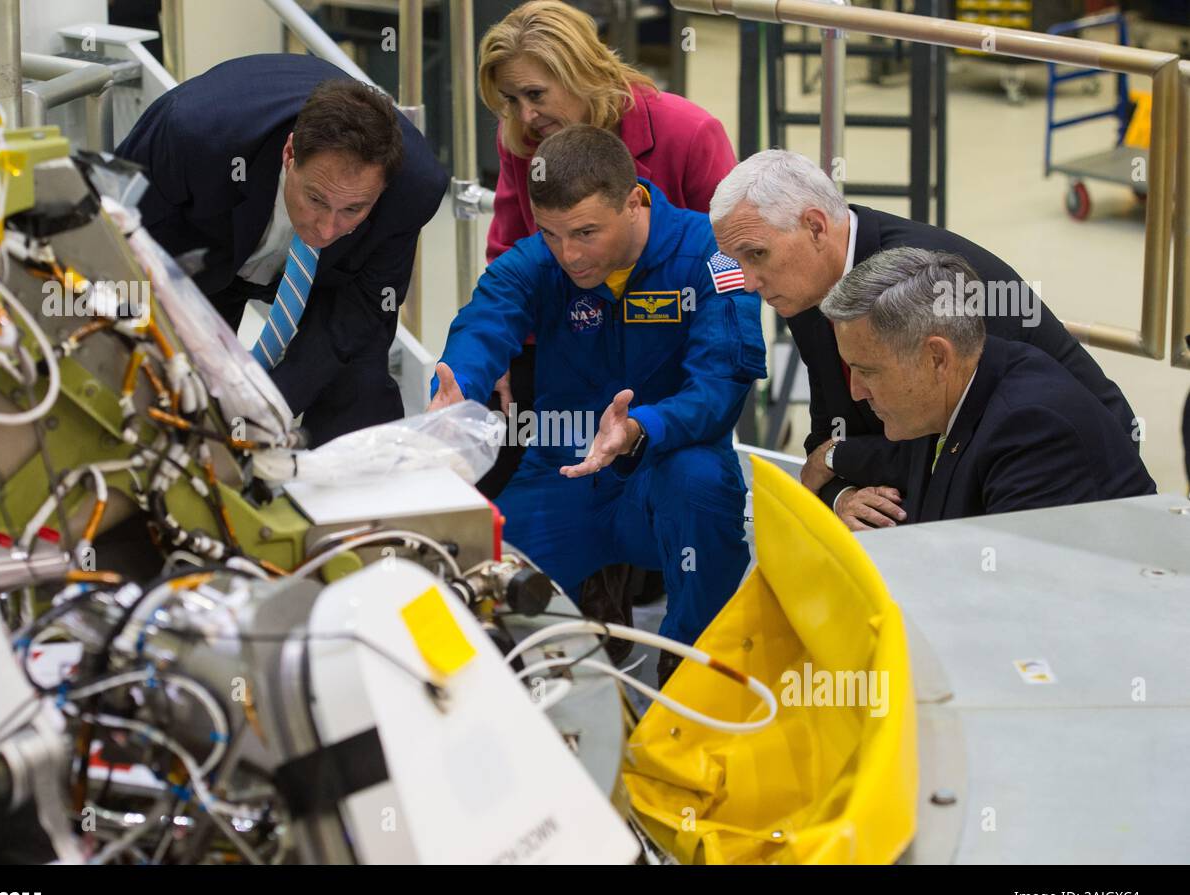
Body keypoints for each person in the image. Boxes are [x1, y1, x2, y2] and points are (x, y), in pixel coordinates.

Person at [428, 126, 765, 685]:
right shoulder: (537, 263)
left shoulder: (711, 256)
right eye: (553, 234)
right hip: (565, 469)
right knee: (484, 590)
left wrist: (641, 427)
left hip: (668, 467)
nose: (570, 254)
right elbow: (485, 320)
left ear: (634, 201)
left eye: (586, 231)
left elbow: (721, 385)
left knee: (701, 484)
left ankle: (693, 675)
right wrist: (456, 388)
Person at [476, 0, 738, 626]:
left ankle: (642, 591)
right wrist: (500, 354)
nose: (524, 116)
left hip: (671, 338)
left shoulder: (689, 134)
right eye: (509, 100)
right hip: (571, 334)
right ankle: (578, 595)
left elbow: (733, 263)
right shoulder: (527, 138)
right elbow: (512, 247)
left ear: (583, 70)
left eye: (535, 93)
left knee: (683, 473)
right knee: (503, 444)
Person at [709, 149, 1138, 530]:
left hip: (1056, 498)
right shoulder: (807, 286)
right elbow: (830, 429)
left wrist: (832, 462)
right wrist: (840, 495)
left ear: (816, 227)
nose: (746, 283)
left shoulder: (937, 286)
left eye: (757, 254)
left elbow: (964, 442)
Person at [116, 54, 448, 447]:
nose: (326, 228)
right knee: (170, 387)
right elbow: (116, 232)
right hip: (204, 252)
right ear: (290, 154)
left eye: (353, 209)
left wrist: (271, 403)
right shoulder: (191, 133)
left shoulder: (415, 187)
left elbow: (362, 309)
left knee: (359, 390)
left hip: (334, 282)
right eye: (317, 199)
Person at [819, 248, 1155, 522]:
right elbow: (902, 461)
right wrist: (831, 460)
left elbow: (1013, 590)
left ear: (936, 357)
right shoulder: (955, 386)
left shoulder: (1032, 431)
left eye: (869, 371)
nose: (857, 391)